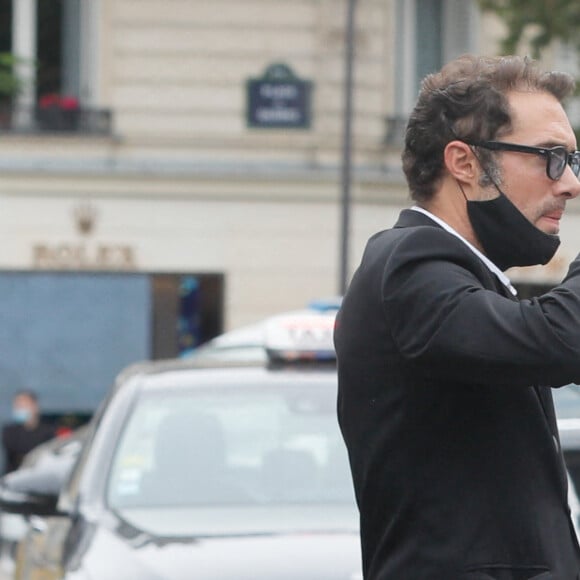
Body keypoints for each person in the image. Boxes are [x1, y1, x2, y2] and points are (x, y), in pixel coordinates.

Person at [334, 54, 580, 579]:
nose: (570, 183)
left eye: (573, 161)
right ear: (464, 163)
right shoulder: (409, 265)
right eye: (550, 158)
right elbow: (557, 342)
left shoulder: (466, 277)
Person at [2, 390, 55, 474]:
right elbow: (17, 451)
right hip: (15, 476)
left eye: (24, 405)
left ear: (35, 406)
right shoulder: (10, 431)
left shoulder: (48, 431)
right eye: (17, 406)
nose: (20, 409)